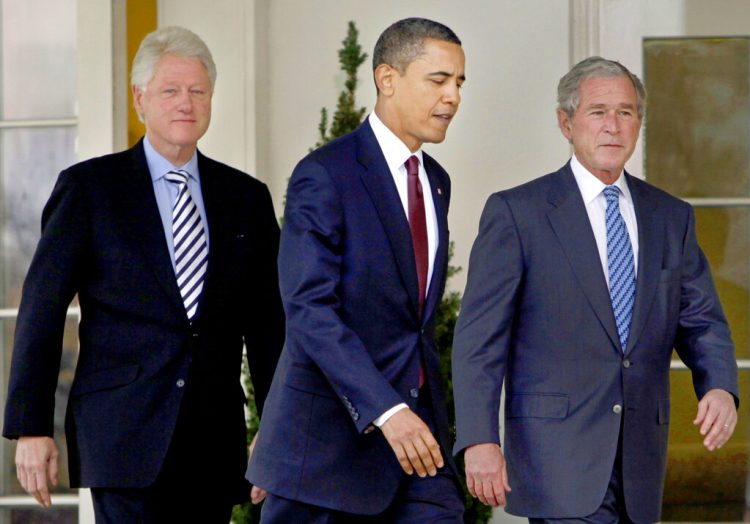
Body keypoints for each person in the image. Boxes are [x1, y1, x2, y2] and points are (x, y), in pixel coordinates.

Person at [3, 26, 284, 523]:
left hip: (214, 441)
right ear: (140, 99)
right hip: (121, 437)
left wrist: (277, 425)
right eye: (170, 91)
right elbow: (41, 310)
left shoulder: (246, 199)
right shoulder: (90, 190)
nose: (186, 103)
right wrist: (31, 427)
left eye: (198, 91)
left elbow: (269, 325)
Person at [452, 56, 739, 523]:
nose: (613, 126)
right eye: (597, 111)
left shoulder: (671, 217)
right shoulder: (518, 213)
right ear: (566, 122)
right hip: (557, 461)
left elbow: (702, 320)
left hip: (641, 461)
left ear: (639, 123)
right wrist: (479, 439)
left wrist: (721, 386)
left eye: (626, 113)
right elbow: (478, 341)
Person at [246, 17, 466, 523]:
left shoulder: (436, 181)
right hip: (323, 459)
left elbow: (415, 322)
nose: (453, 97)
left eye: (458, 83)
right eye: (438, 80)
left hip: (420, 453)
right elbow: (308, 309)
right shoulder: (324, 175)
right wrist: (387, 411)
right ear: (386, 79)